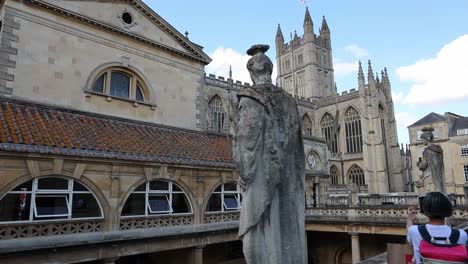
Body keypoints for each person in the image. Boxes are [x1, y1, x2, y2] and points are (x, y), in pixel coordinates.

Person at [234, 44, 306, 263]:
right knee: (288, 239)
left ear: (251, 72)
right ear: (270, 70)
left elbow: (246, 146)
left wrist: (243, 175)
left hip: (265, 185)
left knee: (263, 245)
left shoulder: (251, 98)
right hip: (290, 184)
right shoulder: (290, 101)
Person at [407, 192, 468, 264]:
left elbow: (410, 241)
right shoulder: (462, 234)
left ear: (425, 211)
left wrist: (409, 219)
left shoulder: (415, 231)